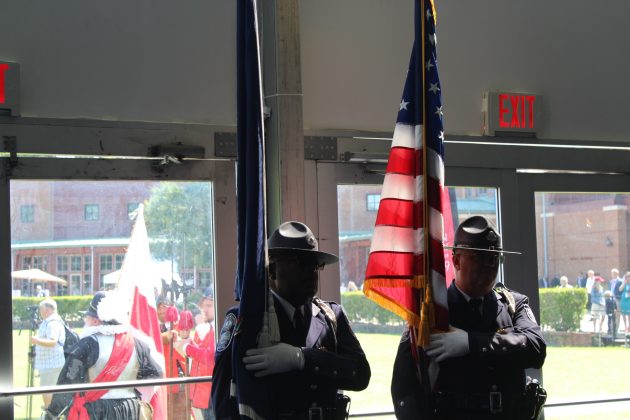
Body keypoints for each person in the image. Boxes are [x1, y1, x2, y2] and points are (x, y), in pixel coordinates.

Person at [211, 221, 371, 419]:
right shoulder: (247, 320)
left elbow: (361, 375)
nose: (311, 272)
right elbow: (223, 403)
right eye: (300, 263)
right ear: (272, 270)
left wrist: (303, 358)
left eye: (315, 264)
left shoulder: (331, 315)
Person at [391, 215, 547, 419]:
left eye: (494, 258)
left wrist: (471, 343)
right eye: (479, 257)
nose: (489, 265)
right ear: (456, 260)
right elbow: (405, 389)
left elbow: (536, 349)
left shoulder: (513, 304)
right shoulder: (434, 313)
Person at [46, 291, 163, 419]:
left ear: (96, 320)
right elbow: (156, 372)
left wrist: (52, 414)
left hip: (98, 410)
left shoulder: (87, 344)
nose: (86, 319)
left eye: (88, 316)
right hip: (129, 409)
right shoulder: (138, 345)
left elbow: (67, 382)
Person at [173, 288, 216, 420]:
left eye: (209, 305)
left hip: (209, 394)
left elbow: (207, 356)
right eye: (203, 306)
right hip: (200, 394)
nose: (204, 309)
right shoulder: (207, 330)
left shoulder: (219, 329)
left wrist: (186, 348)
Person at [157, 295, 188, 420]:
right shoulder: (151, 325)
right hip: (162, 380)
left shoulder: (175, 324)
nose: (166, 310)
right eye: (164, 306)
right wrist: (163, 337)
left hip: (180, 378)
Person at [31, 298, 66, 409]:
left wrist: (36, 340)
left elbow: (52, 341)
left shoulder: (53, 323)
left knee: (46, 388)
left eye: (41, 309)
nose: (40, 312)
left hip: (51, 364)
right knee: (48, 388)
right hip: (48, 363)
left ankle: (50, 412)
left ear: (47, 310)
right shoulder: (49, 322)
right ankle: (51, 410)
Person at [609, 269, 624, 334]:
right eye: (611, 273)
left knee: (618, 315)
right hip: (611, 300)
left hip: (617, 300)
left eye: (612, 273)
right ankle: (611, 328)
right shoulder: (611, 281)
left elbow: (621, 291)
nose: (611, 275)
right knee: (611, 314)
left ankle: (616, 329)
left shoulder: (620, 281)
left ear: (616, 274)